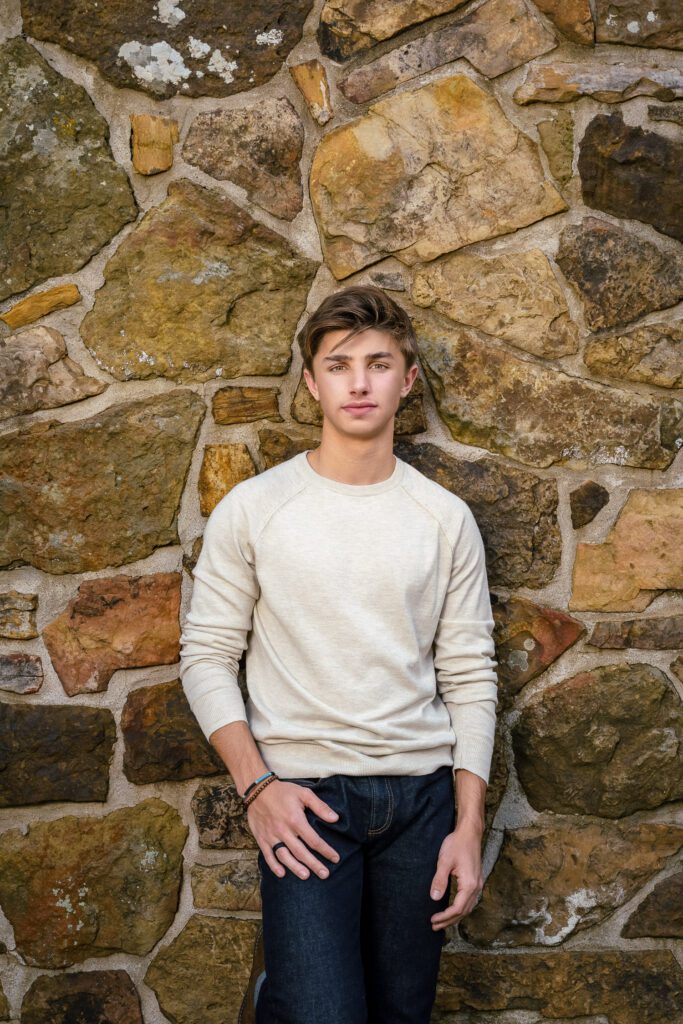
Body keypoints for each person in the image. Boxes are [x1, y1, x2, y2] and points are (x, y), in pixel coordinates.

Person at [178, 284, 498, 1024]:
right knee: (325, 1013)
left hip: (420, 804)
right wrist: (257, 788)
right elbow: (205, 657)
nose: (359, 382)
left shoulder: (443, 520)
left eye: (379, 363)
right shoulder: (256, 509)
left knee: (400, 1013)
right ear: (312, 383)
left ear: (407, 379)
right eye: (340, 364)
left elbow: (471, 675)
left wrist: (467, 825)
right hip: (305, 802)